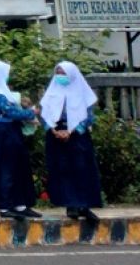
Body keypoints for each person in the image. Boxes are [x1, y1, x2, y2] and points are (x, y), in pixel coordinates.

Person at [0, 59, 41, 220]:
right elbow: (12, 113)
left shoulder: (1, 93)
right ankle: (5, 206)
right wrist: (32, 112)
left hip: (11, 132)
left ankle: (20, 205)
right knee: (6, 170)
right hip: (4, 133)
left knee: (19, 168)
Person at [40, 61, 102, 222]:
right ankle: (71, 206)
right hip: (56, 135)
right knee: (63, 170)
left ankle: (84, 206)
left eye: (63, 73)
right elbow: (45, 114)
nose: (60, 76)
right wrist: (54, 130)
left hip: (77, 136)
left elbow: (88, 117)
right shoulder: (52, 92)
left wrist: (71, 131)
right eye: (58, 73)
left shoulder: (82, 92)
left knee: (82, 169)